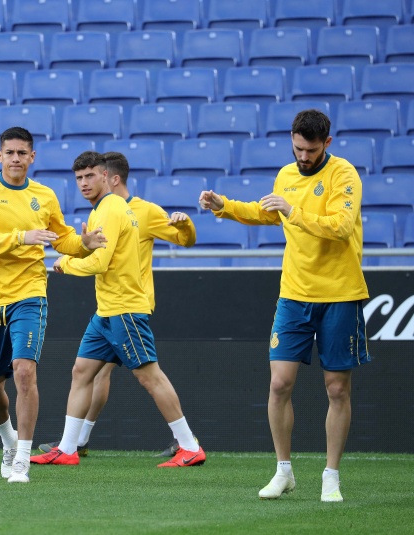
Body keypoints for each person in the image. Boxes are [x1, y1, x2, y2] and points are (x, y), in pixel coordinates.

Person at [199, 109, 370, 502]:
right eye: (297, 149)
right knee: (279, 384)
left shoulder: (344, 175)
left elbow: (341, 226)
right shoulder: (286, 175)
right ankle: (283, 471)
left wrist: (294, 211)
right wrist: (224, 206)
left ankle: (331, 476)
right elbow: (267, 212)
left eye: (310, 150)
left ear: (327, 143)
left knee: (337, 388)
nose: (303, 157)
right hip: (294, 294)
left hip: (340, 294)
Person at [30, 151, 205, 469]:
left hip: (124, 309)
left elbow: (100, 262)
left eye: (89, 176)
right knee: (82, 372)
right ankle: (68, 448)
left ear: (106, 176)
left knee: (150, 377)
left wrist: (66, 263)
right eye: (79, 178)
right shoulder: (104, 209)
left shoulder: (111, 209)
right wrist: (79, 249)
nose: (84, 183)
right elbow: (99, 255)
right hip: (106, 311)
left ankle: (190, 446)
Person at [0, 127, 107, 484]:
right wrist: (21, 237)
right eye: (9, 153)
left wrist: (83, 244)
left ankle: (22, 459)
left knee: (25, 372)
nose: (15, 158)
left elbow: (62, 238)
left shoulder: (44, 195)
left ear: (32, 157)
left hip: (29, 292)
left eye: (22, 153)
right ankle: (8, 441)